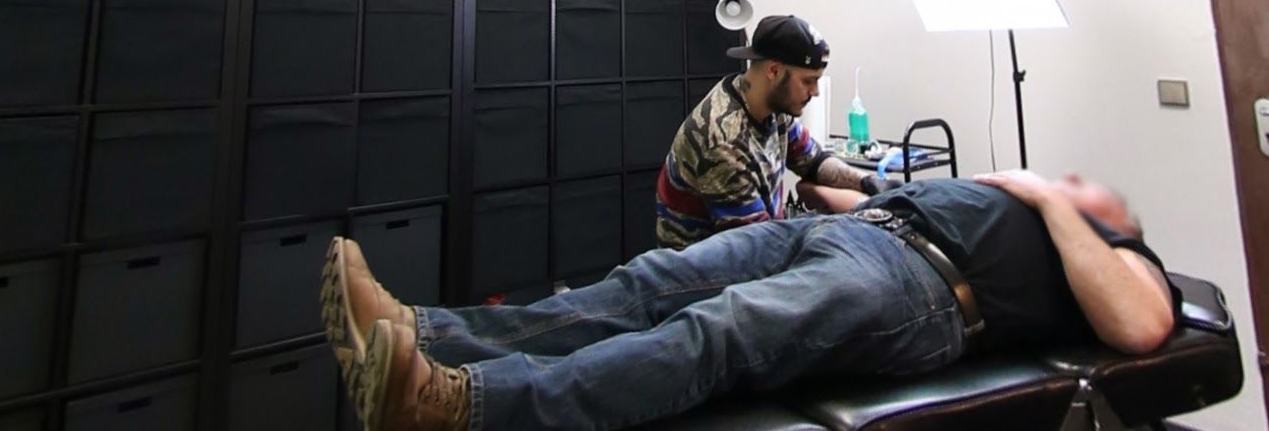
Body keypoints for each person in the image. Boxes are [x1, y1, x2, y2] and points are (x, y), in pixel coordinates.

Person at [321, 169, 1180, 431]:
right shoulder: (1022, 204)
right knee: (643, 284)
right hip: (858, 230)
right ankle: (421, 330)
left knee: (718, 330)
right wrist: (817, 188)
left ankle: (461, 407)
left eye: (1085, 182)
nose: (1066, 181)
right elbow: (866, 195)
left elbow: (1140, 326)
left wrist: (1052, 199)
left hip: (920, 289)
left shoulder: (1117, 251)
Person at [653, 14, 873, 249]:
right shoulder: (725, 141)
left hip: (757, 244)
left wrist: (871, 185)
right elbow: (760, 247)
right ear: (774, 71)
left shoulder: (774, 107)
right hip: (701, 274)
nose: (815, 91)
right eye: (808, 81)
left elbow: (814, 162)